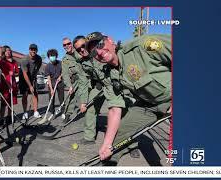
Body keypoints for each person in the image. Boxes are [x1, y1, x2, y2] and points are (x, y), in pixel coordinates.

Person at [85, 32, 172, 165]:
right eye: (94, 53)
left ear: (110, 40)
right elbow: (115, 109)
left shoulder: (142, 46)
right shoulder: (108, 75)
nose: (100, 52)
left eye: (100, 44)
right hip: (148, 106)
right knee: (115, 140)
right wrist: (107, 144)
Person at [37, 49, 64, 125]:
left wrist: (60, 76)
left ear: (56, 56)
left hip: (60, 83)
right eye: (51, 56)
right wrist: (51, 89)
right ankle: (52, 112)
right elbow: (48, 78)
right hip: (51, 83)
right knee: (51, 99)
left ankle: (63, 112)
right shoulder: (47, 66)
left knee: (61, 98)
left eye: (53, 56)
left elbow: (63, 71)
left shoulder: (60, 63)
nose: (52, 57)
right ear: (49, 57)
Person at [61, 37, 84, 123]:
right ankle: (67, 115)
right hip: (76, 80)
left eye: (68, 43)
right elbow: (65, 74)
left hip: (86, 78)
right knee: (71, 97)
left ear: (71, 43)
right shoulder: (65, 59)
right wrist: (69, 86)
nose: (67, 46)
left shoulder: (80, 50)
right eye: (64, 45)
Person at [0, 45, 19, 130]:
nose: (8, 52)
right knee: (3, 104)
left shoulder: (14, 62)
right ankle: (2, 120)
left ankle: (9, 117)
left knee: (11, 103)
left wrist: (13, 74)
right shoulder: (1, 62)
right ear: (4, 52)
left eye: (9, 50)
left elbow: (17, 72)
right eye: (6, 51)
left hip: (12, 84)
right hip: (4, 86)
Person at [18, 44, 42, 119]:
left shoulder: (39, 58)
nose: (33, 51)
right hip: (23, 77)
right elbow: (25, 74)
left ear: (37, 50)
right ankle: (25, 112)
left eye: (34, 49)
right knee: (25, 95)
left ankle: (35, 111)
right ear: (29, 50)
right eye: (31, 49)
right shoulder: (25, 59)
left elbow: (37, 69)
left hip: (32, 77)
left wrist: (34, 79)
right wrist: (30, 86)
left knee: (35, 93)